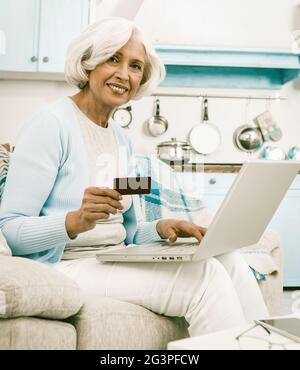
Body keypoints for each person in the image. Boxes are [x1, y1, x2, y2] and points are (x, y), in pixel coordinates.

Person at [0, 17, 268, 336]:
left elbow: (128, 231)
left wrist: (162, 227)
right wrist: (74, 221)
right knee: (205, 277)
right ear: (88, 62)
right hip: (65, 264)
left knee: (229, 259)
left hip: (111, 257)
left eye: (136, 66)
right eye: (113, 58)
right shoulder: (50, 125)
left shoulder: (121, 139)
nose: (124, 74)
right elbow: (10, 228)